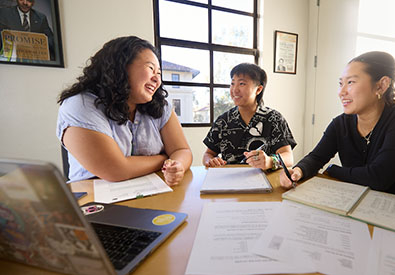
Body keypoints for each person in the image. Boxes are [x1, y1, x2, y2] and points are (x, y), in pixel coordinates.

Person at [280, 51, 395, 201]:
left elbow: (378, 178)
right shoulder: (341, 123)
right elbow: (316, 157)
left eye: (351, 82)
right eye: (341, 84)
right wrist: (298, 171)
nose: (341, 92)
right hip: (359, 204)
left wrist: (334, 170)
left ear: (381, 85)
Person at [56, 36, 192, 186]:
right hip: (95, 199)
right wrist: (164, 159)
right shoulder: (80, 105)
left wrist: (177, 165)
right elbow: (115, 170)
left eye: (159, 73)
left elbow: (182, 150)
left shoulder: (160, 106)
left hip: (152, 192)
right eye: (151, 68)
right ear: (120, 67)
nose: (157, 79)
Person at [203, 63, 296, 171]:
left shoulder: (274, 118)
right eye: (232, 83)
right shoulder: (223, 121)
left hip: (266, 180)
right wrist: (210, 161)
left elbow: (288, 157)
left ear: (258, 90)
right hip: (230, 181)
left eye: (242, 84)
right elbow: (208, 154)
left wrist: (270, 161)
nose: (235, 89)